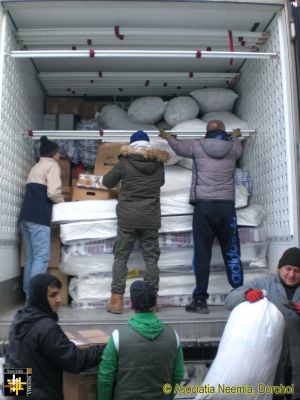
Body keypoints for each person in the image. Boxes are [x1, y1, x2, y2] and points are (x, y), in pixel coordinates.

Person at [160, 120, 243, 314]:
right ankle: (240, 296)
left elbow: (179, 149)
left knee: (202, 254)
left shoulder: (197, 145)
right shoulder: (233, 148)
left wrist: (168, 137)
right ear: (223, 131)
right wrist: (236, 136)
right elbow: (238, 147)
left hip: (204, 207)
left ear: (207, 131)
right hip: (226, 207)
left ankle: (200, 301)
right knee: (232, 252)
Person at [102, 130, 170, 314]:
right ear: (148, 145)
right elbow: (161, 183)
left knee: (121, 257)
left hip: (127, 219)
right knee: (151, 259)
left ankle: (116, 301)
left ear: (131, 146)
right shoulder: (158, 164)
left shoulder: (125, 162)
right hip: (150, 217)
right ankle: (151, 302)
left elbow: (107, 182)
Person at [7, 273, 103, 400]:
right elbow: (75, 361)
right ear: (40, 297)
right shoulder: (46, 328)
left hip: (18, 391)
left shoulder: (19, 318)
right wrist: (105, 349)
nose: (59, 299)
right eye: (53, 295)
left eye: (58, 293)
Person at [225, 247, 300, 400]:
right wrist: (246, 295)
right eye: (288, 269)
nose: (291, 274)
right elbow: (230, 299)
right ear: (280, 268)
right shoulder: (264, 283)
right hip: (272, 366)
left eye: (297, 271)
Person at [97, 280, 185, 400]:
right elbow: (178, 375)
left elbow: (105, 378)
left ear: (132, 305)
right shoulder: (173, 336)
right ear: (155, 305)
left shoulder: (118, 337)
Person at [19, 136, 65, 299]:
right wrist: (63, 204)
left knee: (31, 259)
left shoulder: (36, 167)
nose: (60, 155)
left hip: (25, 217)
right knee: (41, 257)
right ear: (52, 154)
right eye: (58, 152)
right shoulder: (52, 166)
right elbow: (53, 192)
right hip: (38, 218)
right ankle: (37, 298)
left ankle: (28, 296)